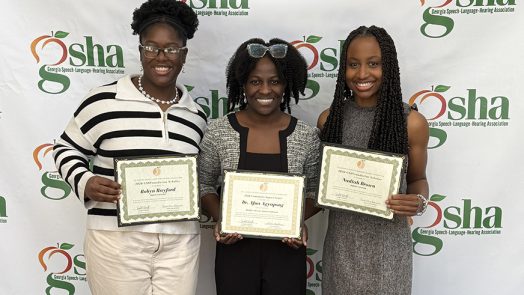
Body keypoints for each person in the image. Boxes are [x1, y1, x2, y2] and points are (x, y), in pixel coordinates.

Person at [52, 1, 206, 294]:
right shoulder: (103, 100)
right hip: (116, 240)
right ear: (140, 50)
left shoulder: (195, 116)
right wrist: (86, 181)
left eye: (172, 49)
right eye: (152, 47)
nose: (162, 56)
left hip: (181, 242)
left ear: (183, 55)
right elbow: (64, 148)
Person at [198, 38, 320, 295]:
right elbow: (204, 184)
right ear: (242, 83)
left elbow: (316, 192)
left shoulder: (306, 136)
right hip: (234, 252)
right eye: (255, 81)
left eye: (274, 81)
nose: (265, 90)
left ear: (286, 83)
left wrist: (296, 222)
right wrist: (222, 218)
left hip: (287, 252)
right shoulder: (219, 131)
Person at [317, 25, 430, 294]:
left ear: (388, 67)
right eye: (353, 64)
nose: (362, 74)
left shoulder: (411, 123)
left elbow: (418, 179)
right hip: (340, 251)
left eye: (374, 64)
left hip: (389, 254)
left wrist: (419, 202)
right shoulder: (328, 120)